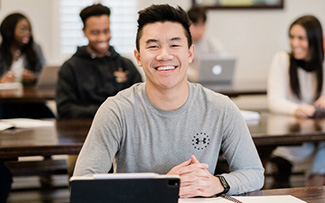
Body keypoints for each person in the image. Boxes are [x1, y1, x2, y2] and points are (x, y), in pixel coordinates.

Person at [73, 4, 264, 198]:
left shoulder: (220, 108)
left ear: (190, 53)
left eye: (174, 45)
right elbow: (83, 184)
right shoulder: (116, 111)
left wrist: (217, 183)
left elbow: (254, 172)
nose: (164, 55)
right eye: (153, 46)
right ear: (138, 57)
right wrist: (161, 186)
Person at [56, 4, 142, 177]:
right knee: (79, 169)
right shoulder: (70, 68)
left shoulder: (125, 65)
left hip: (125, 137)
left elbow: (141, 100)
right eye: (95, 32)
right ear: (84, 32)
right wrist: (107, 113)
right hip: (82, 138)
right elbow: (65, 109)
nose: (102, 37)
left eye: (106, 31)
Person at [268, 15, 325, 187]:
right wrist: (295, 109)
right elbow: (274, 101)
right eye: (292, 37)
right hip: (292, 135)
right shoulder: (282, 59)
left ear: (314, 40)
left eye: (301, 38)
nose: (294, 43)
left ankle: (315, 184)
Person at [0, 13, 54, 119]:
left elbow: (43, 75)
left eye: (29, 29)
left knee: (50, 117)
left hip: (31, 101)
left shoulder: (35, 48)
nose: (27, 33)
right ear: (9, 30)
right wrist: (2, 81)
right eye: (23, 29)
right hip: (5, 102)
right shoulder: (1, 52)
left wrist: (34, 77)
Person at [186, 6, 227, 82]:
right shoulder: (183, 44)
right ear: (188, 25)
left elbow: (224, 60)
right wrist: (193, 74)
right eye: (196, 26)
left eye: (202, 25)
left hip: (209, 83)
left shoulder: (211, 42)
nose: (199, 30)